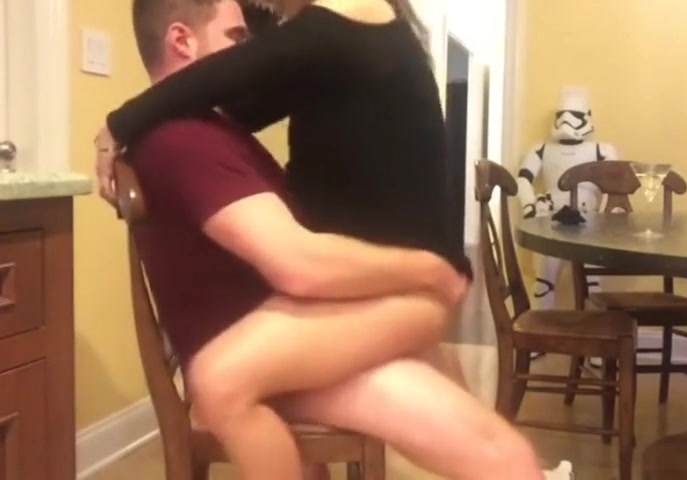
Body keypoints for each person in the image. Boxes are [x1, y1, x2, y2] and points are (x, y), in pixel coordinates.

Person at [97, 0, 573, 479]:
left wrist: (120, 123)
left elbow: (232, 83)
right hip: (355, 299)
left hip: (368, 297)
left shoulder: (342, 22)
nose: (248, 54)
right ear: (181, 41)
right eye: (238, 40)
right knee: (484, 442)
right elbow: (237, 97)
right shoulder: (195, 132)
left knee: (221, 380)